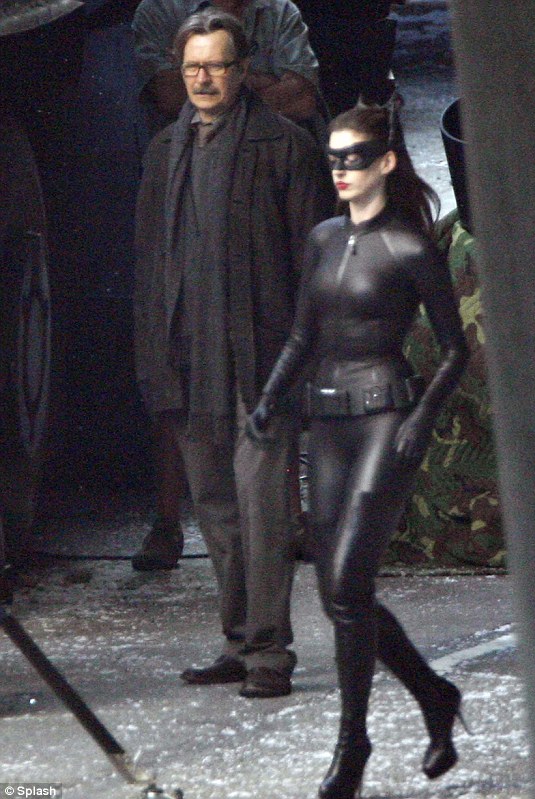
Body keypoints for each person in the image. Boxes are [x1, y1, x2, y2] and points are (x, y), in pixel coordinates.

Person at [247, 104, 470, 796]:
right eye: (334, 157)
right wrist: (270, 397)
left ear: (387, 162)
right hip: (327, 422)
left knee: (346, 585)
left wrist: (421, 419)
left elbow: (455, 349)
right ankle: (434, 695)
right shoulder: (322, 239)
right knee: (340, 594)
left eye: (355, 157)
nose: (341, 169)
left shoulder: (409, 248)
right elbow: (300, 335)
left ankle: (354, 745)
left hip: (385, 418)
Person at [133, 9, 334, 697]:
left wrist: (303, 365)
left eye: (217, 66)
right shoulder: (165, 149)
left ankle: (270, 654)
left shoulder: (285, 147)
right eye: (193, 67)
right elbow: (149, 267)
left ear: (242, 70)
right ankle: (239, 639)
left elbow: (313, 264)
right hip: (189, 360)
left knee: (264, 510)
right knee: (216, 508)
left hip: (260, 362)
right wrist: (154, 358)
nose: (203, 79)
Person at [132, 0, 320, 134]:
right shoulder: (159, 9)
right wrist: (261, 81)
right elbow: (170, 97)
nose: (204, 77)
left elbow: (302, 100)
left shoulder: (282, 10)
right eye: (193, 67)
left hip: (275, 156)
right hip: (191, 158)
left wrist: (220, 86)